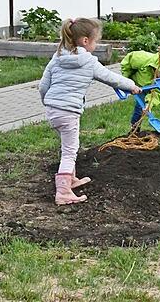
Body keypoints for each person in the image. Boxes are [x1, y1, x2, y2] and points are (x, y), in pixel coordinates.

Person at [39, 18, 141, 205]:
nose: (97, 44)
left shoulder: (57, 57)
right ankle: (62, 192)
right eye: (96, 41)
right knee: (70, 151)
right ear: (85, 41)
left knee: (67, 145)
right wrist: (132, 86)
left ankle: (70, 178)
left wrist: (48, 103)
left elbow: (42, 85)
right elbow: (112, 79)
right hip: (69, 111)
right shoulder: (88, 62)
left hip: (53, 109)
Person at [120, 48, 160, 130]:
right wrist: (126, 80)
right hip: (138, 86)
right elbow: (127, 63)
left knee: (145, 107)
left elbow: (158, 93)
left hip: (150, 87)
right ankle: (135, 128)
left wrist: (149, 106)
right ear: (157, 66)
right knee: (139, 106)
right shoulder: (141, 58)